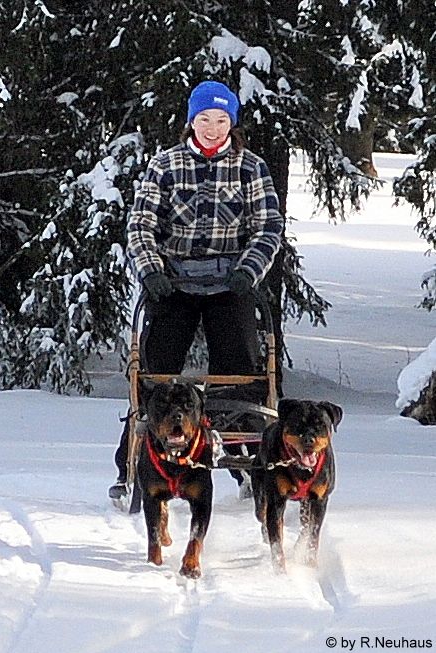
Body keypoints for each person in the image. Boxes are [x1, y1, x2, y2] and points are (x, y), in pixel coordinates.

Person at [109, 80, 284, 498]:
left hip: (231, 281)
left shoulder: (251, 167)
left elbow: (268, 227)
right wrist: (151, 272)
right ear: (191, 121)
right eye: (204, 119)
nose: (212, 127)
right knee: (155, 373)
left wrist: (249, 271)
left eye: (221, 120)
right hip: (174, 284)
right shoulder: (165, 165)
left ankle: (249, 466)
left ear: (232, 124)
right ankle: (132, 464)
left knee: (242, 376)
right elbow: (140, 226)